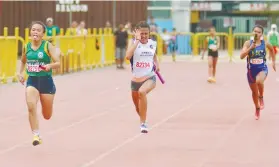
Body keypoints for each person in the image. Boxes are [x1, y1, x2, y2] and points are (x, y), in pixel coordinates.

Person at [17, 21, 60, 146]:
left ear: (42, 34)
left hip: (46, 82)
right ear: (30, 32)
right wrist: (20, 74)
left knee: (47, 115)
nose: (35, 32)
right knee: (31, 106)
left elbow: (58, 63)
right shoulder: (26, 47)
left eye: (38, 30)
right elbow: (23, 61)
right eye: (33, 30)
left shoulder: (47, 46)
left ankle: (46, 109)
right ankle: (36, 135)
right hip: (32, 81)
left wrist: (49, 65)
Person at [125, 21, 160, 133]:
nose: (144, 36)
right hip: (135, 79)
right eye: (142, 33)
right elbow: (127, 56)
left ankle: (143, 123)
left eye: (146, 33)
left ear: (149, 33)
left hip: (149, 77)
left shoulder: (153, 43)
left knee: (142, 92)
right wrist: (137, 41)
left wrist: (157, 64)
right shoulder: (133, 43)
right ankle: (143, 118)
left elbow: (154, 55)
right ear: (137, 33)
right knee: (137, 107)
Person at [240, 25, 276, 120]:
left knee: (259, 81)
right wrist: (250, 48)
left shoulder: (265, 43)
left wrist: (273, 62)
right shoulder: (248, 43)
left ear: (261, 34)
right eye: (255, 31)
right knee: (254, 92)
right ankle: (257, 108)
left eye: (259, 32)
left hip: (262, 68)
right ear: (252, 32)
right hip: (251, 70)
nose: (256, 33)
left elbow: (272, 50)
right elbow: (241, 56)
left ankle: (261, 97)